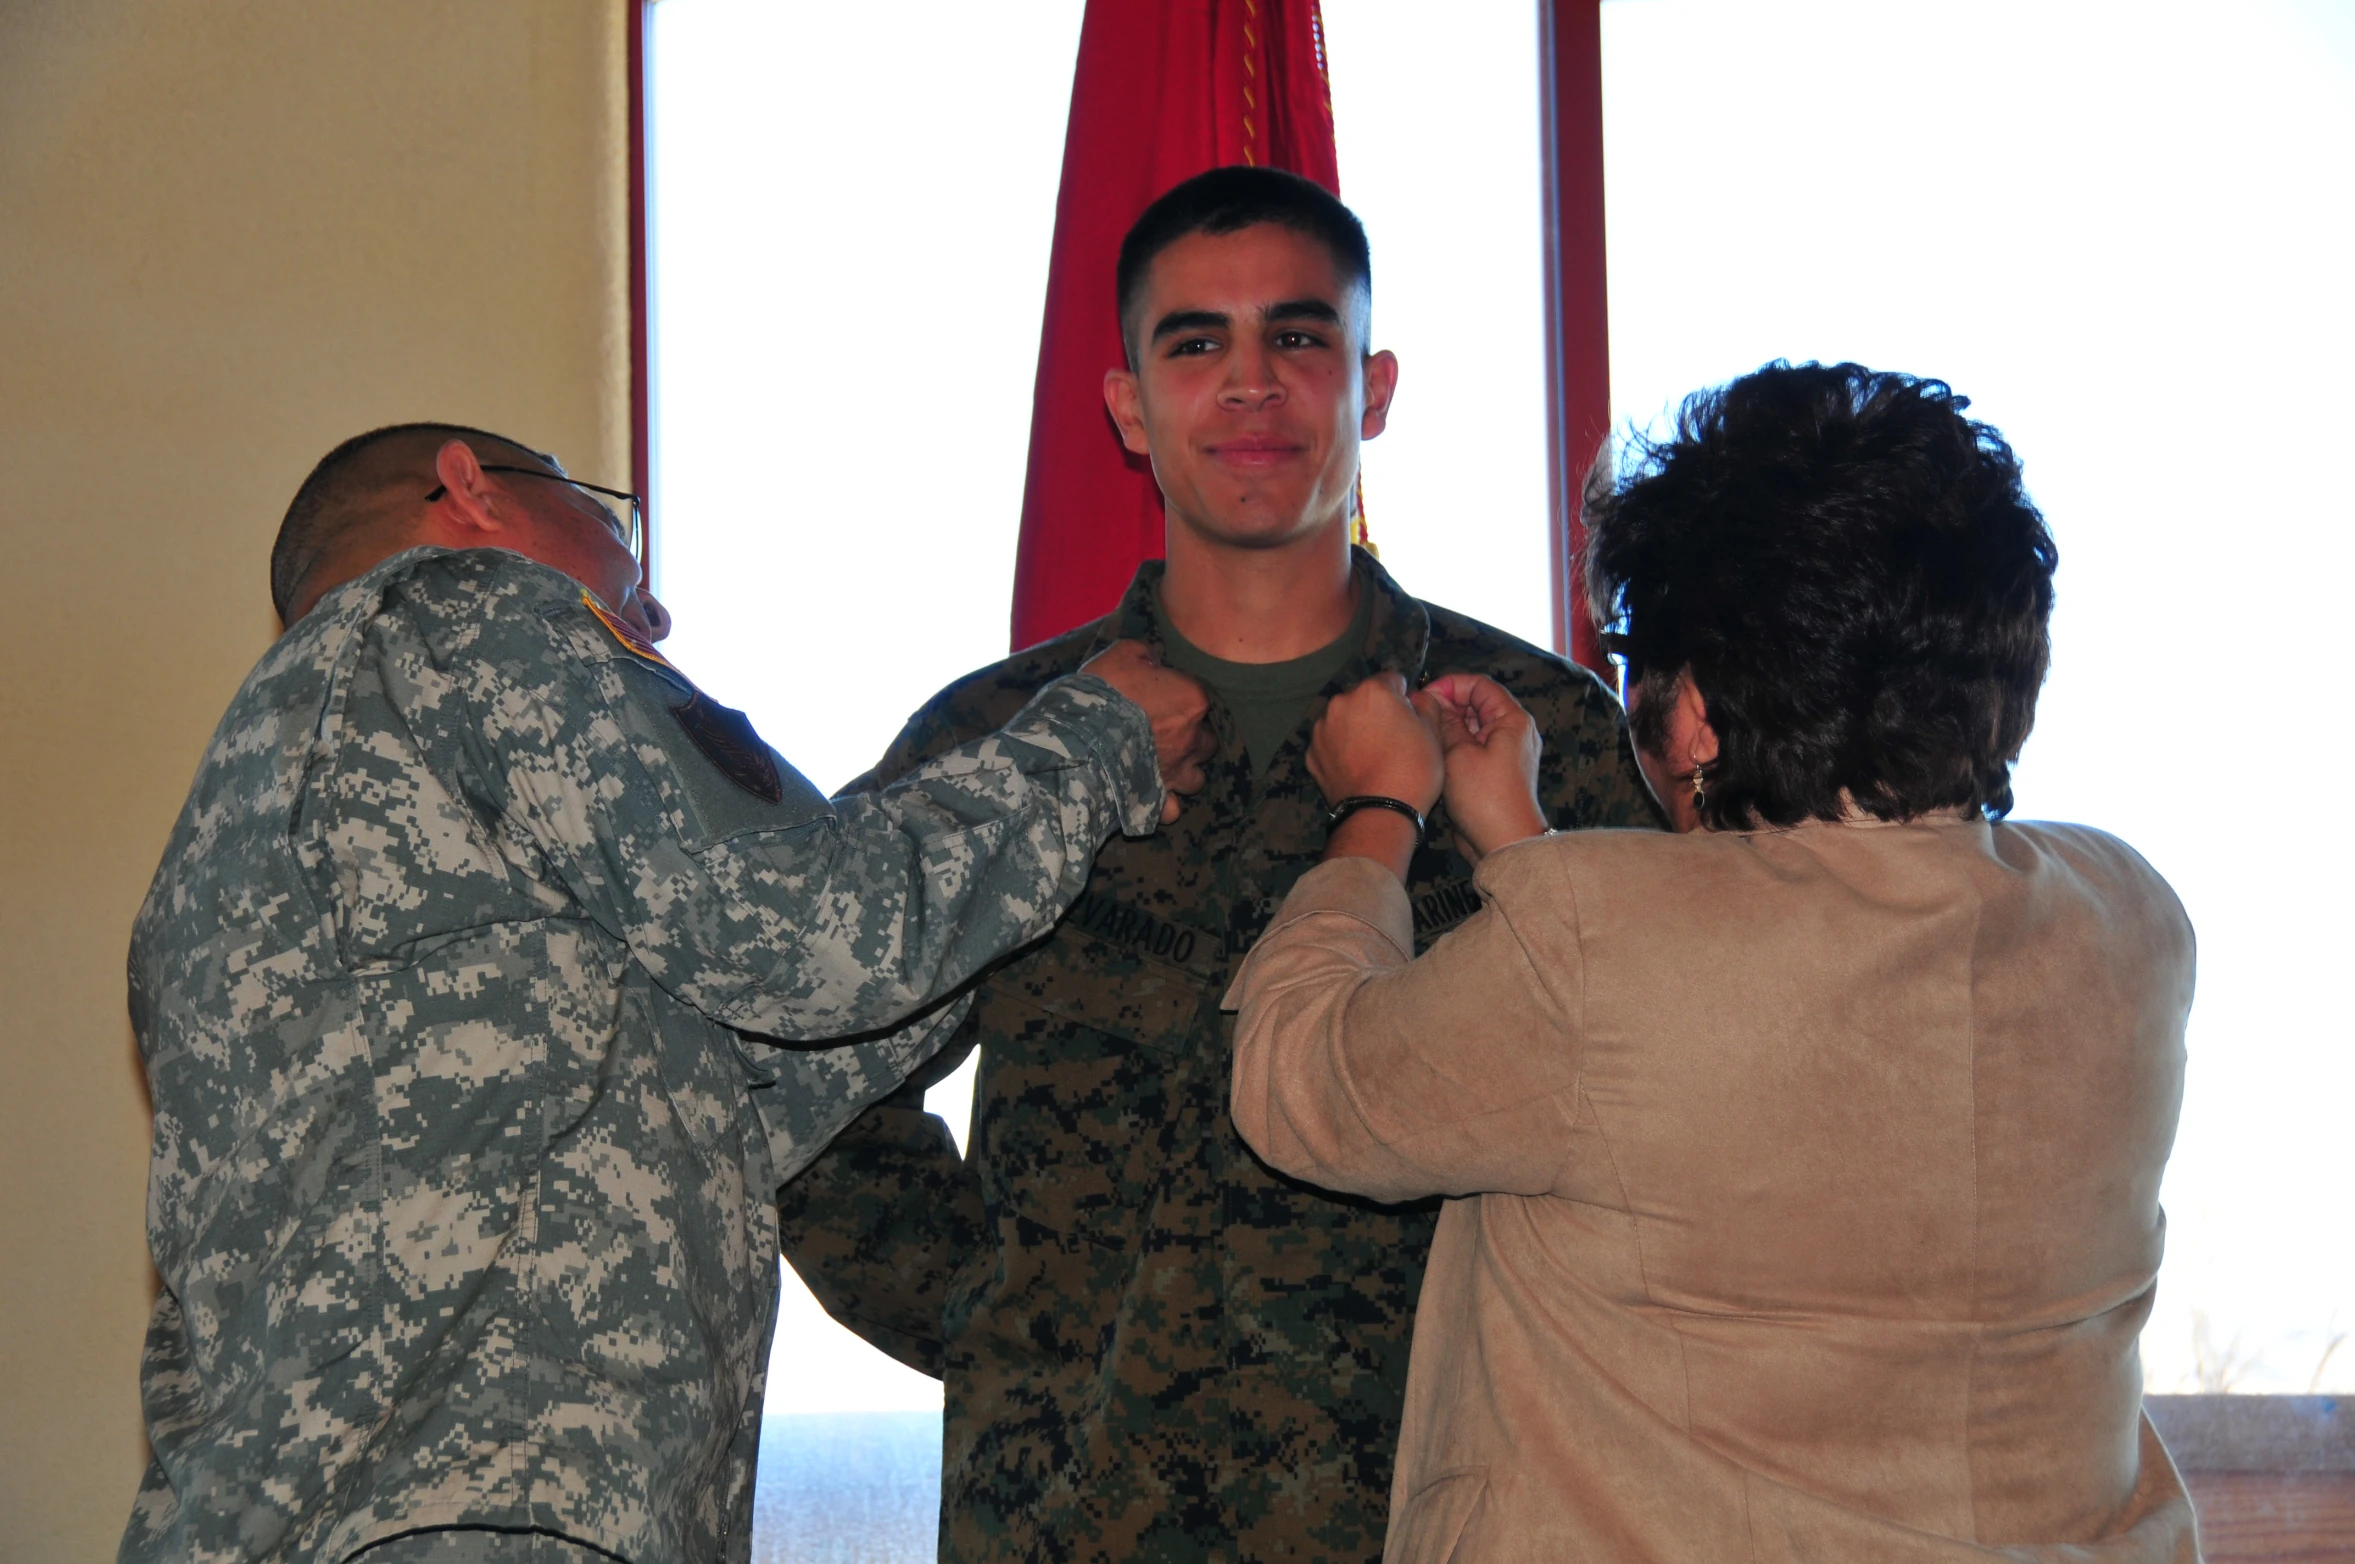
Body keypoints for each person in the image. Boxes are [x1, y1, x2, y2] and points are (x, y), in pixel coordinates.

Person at [125, 421, 1214, 1564]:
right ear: (469, 489)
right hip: (489, 1504)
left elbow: (737, 1086)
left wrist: (1030, 872)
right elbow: (797, 934)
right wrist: (1093, 746)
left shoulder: (223, 847)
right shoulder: (466, 612)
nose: (648, 617)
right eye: (610, 525)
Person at [775, 167, 1657, 1562]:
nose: (1250, 387)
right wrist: (999, 1314)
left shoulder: (1532, 729)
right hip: (1073, 1514)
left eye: (1296, 340)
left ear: (1368, 390)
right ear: (1128, 405)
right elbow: (805, 1063)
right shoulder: (1000, 740)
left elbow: (1652, 1090)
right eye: (1195, 344)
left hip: (1445, 1503)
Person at [1228, 362, 2199, 1562]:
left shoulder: (1597, 949)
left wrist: (1379, 809)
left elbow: (1299, 1085)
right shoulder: (2130, 925)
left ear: (1690, 714)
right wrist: (1529, 853)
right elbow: (1739, 1070)